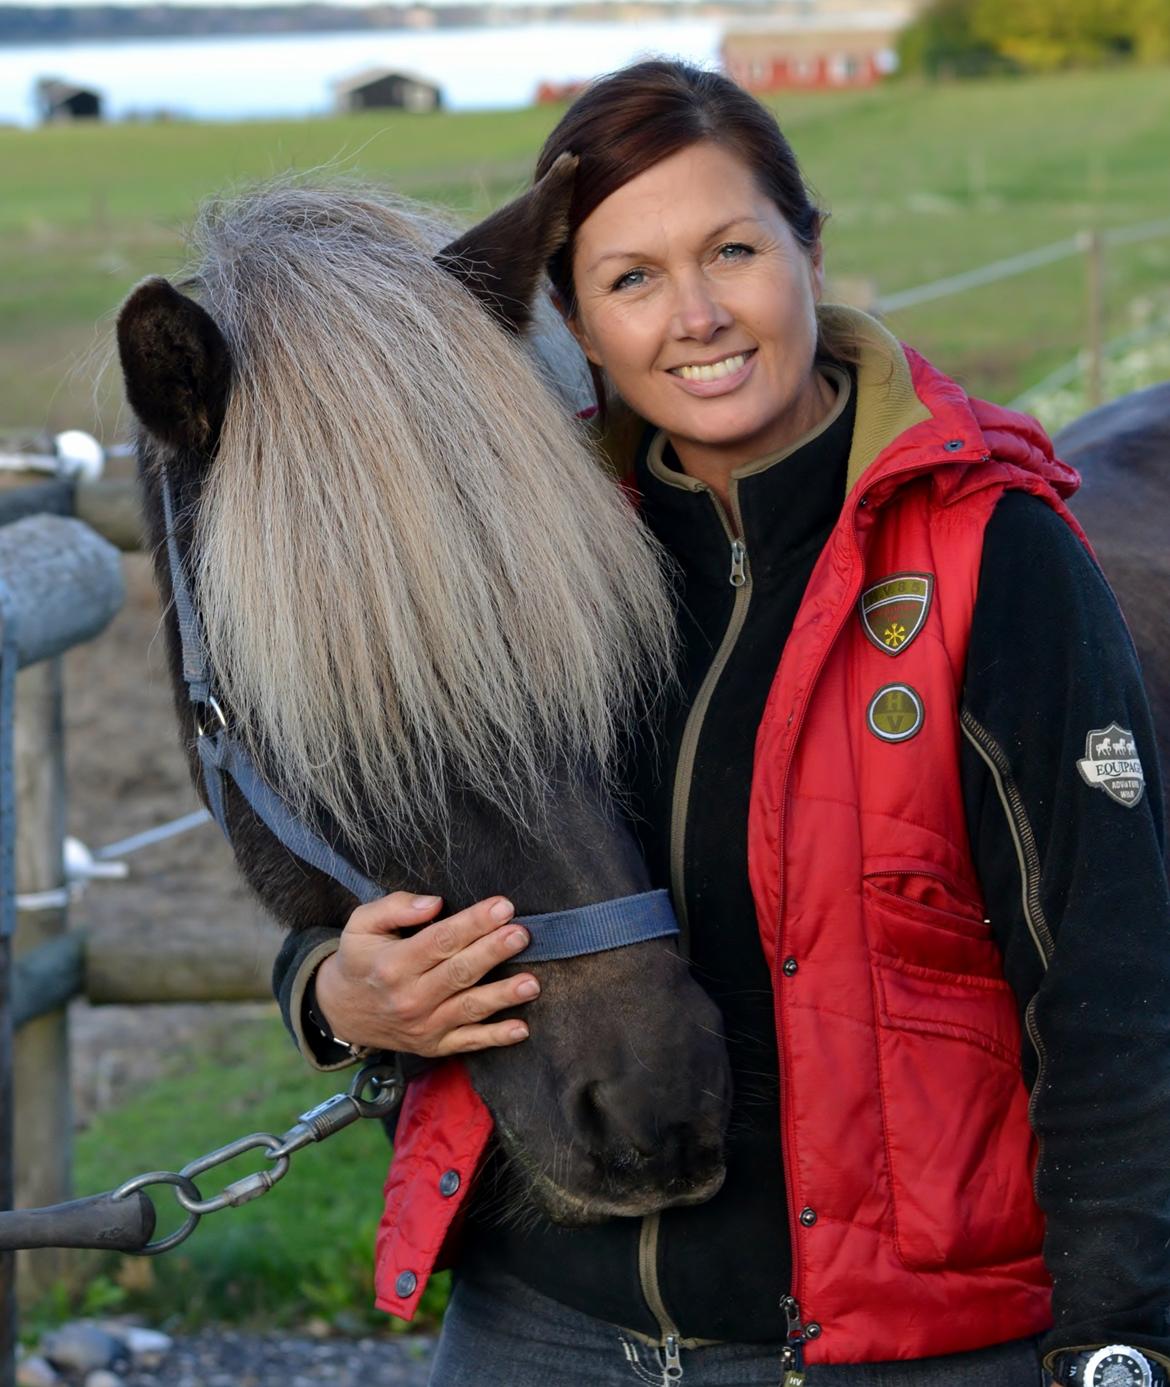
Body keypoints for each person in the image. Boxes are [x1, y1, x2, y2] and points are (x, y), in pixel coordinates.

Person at [273, 60, 1170, 1387]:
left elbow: (1110, 988)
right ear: (572, 318)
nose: (693, 317)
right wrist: (333, 993)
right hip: (541, 1326)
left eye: (732, 251)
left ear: (810, 251)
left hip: (887, 1349)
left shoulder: (998, 559)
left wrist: (1116, 1341)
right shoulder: (514, 572)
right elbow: (389, 874)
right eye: (630, 278)